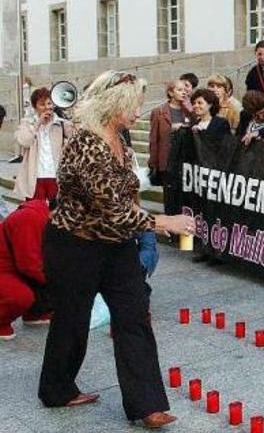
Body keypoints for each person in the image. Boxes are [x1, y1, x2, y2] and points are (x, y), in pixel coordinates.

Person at [38, 70, 195, 429]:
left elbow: (124, 196)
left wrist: (144, 224)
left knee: (134, 315)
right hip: (75, 244)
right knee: (72, 319)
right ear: (114, 104)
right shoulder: (86, 142)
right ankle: (57, 389)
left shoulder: (120, 135)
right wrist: (162, 222)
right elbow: (109, 205)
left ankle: (147, 406)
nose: (139, 113)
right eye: (134, 106)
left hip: (117, 243)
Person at [0, 199, 53, 340]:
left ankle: (35, 312)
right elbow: (29, 264)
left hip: (16, 267)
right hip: (5, 267)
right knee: (20, 296)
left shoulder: (45, 217)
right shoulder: (30, 218)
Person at [13, 88, 72, 201]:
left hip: (55, 176)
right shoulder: (27, 123)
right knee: (36, 212)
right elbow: (24, 141)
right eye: (42, 104)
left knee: (55, 212)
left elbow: (75, 136)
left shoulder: (60, 123)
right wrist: (38, 123)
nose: (47, 107)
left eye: (49, 103)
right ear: (35, 107)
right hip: (35, 178)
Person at [148, 80, 190, 201]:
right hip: (167, 160)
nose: (183, 93)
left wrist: (190, 108)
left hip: (184, 159)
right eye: (179, 90)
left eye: (185, 90)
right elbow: (154, 140)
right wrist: (153, 163)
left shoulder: (189, 109)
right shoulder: (159, 112)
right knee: (170, 196)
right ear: (171, 93)